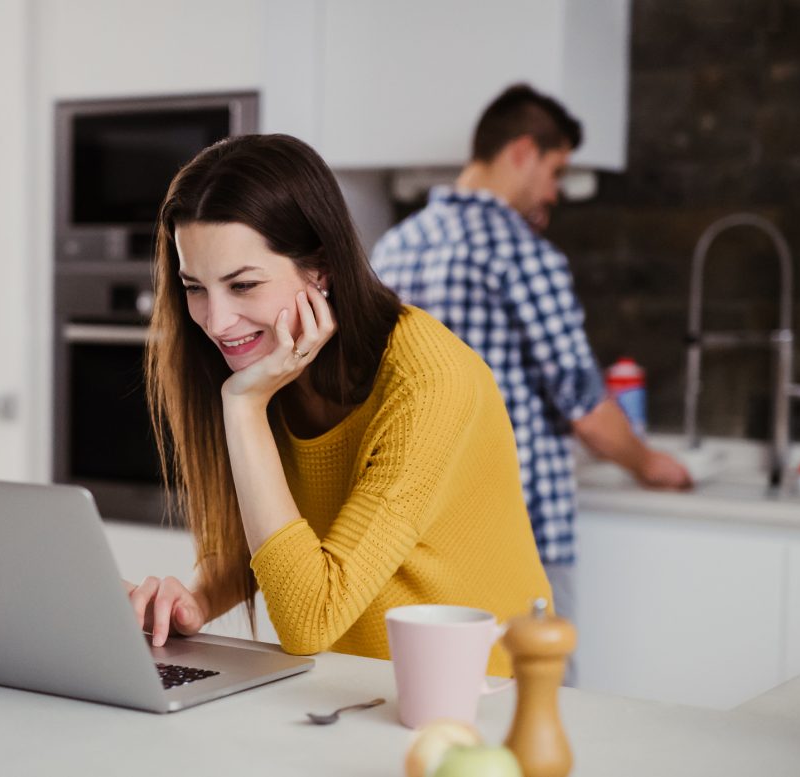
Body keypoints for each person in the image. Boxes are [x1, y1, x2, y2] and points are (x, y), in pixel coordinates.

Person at [126, 133, 550, 677]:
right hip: (351, 687)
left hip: (476, 692)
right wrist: (199, 600)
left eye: (244, 285)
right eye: (195, 287)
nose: (214, 321)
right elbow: (264, 546)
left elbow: (309, 619)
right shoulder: (270, 363)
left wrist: (245, 409)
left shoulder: (429, 381)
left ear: (320, 269)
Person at [370, 84, 692, 675]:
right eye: (555, 170)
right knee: (538, 698)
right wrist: (651, 464)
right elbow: (583, 407)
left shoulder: (394, 248)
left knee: (438, 699)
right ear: (521, 151)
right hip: (521, 528)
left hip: (417, 530)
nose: (554, 192)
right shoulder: (524, 255)